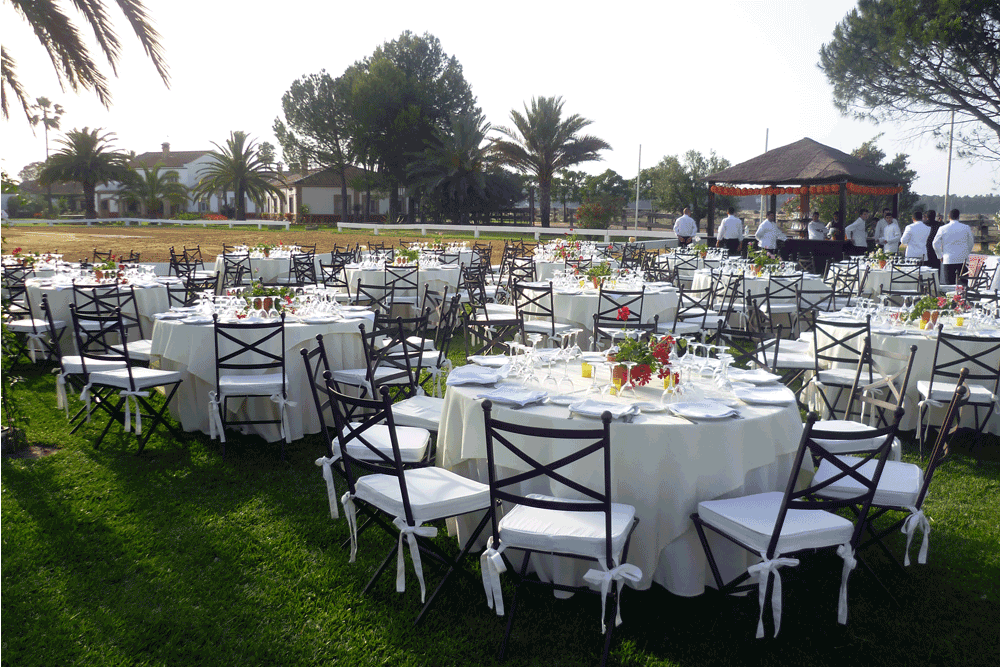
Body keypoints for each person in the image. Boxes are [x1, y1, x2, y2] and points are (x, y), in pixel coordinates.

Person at [932, 208, 974, 285]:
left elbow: (935, 243)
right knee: (963, 285)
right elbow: (971, 242)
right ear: (958, 217)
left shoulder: (943, 228)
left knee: (949, 285)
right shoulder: (966, 227)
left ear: (949, 217)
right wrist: (966, 253)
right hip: (962, 259)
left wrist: (940, 256)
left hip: (948, 259)